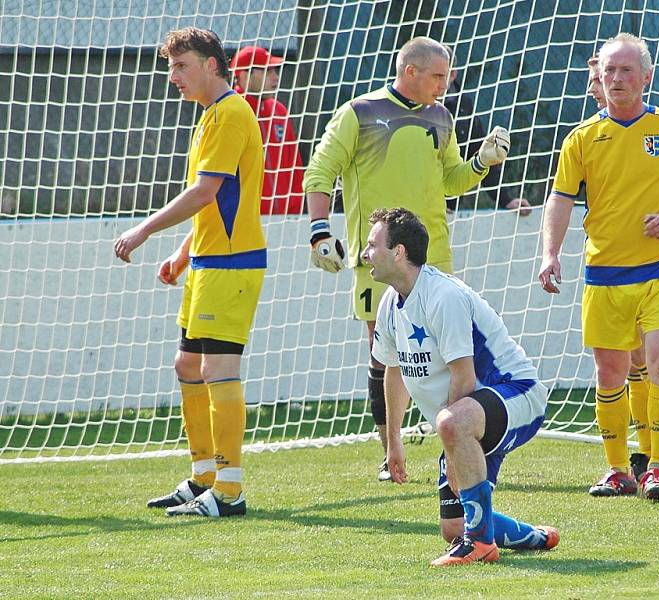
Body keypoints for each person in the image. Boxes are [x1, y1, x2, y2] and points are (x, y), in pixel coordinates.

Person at [303, 36, 512, 482]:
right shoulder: (358, 112)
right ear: (410, 72)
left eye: (448, 76)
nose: (445, 84)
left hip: (434, 258)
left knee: (453, 354)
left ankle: (458, 447)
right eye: (438, 76)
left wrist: (480, 163)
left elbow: (450, 181)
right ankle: (390, 452)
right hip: (377, 261)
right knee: (385, 357)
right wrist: (320, 230)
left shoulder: (442, 116)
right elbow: (319, 171)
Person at [538, 33, 659, 502]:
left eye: (625, 71)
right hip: (604, 274)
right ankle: (618, 469)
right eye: (609, 71)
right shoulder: (581, 139)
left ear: (646, 78)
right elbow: (560, 198)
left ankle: (657, 467)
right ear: (599, 77)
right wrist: (550, 253)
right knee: (611, 374)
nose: (616, 78)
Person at [114, 27, 266, 517]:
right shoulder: (209, 118)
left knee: (217, 370)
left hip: (231, 265)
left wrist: (144, 231)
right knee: (186, 366)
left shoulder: (229, 114)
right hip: (207, 263)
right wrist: (184, 253)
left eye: (182, 66)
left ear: (212, 65)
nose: (173, 76)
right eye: (171, 66)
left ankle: (230, 490)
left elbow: (204, 193)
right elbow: (214, 202)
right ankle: (203, 477)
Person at [364, 207, 559, 566]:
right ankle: (534, 536)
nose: (365, 253)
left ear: (399, 252)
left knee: (453, 429)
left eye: (372, 244)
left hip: (517, 395)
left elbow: (464, 378)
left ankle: (482, 546)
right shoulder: (391, 301)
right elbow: (393, 372)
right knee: (455, 527)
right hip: (467, 415)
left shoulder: (443, 296)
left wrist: (453, 445)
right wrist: (393, 443)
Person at [585, 55, 659, 488]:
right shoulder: (594, 135)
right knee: (630, 364)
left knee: (651, 362)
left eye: (611, 75)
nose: (602, 84)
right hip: (614, 269)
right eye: (599, 78)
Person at [443, 51, 531, 216]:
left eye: (440, 74)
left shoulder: (463, 106)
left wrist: (506, 200)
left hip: (447, 213)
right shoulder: (410, 109)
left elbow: (481, 153)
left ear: (452, 74)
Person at [230, 45, 305, 215]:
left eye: (275, 70)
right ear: (244, 75)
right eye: (267, 71)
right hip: (246, 223)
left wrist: (295, 208)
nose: (275, 77)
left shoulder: (279, 111)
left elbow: (294, 165)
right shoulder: (231, 113)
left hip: (286, 219)